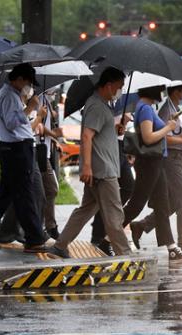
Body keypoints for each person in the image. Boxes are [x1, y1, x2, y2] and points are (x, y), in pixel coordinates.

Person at [47, 67, 133, 258]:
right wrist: (86, 167)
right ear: (109, 85)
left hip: (100, 169)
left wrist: (116, 128)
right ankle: (125, 255)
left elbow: (98, 133)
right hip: (103, 170)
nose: (120, 91)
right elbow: (86, 136)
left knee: (85, 211)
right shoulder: (97, 106)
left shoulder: (101, 105)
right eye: (119, 87)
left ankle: (60, 246)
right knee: (114, 215)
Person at [121, 85, 182, 263]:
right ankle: (109, 234)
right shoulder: (146, 108)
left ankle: (171, 249)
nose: (163, 92)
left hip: (157, 161)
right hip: (149, 162)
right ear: (153, 90)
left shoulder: (147, 108)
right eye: (161, 89)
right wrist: (169, 127)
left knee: (162, 205)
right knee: (137, 203)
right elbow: (148, 137)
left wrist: (168, 123)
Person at [0, 63, 48, 252]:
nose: (29, 87)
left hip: (13, 149)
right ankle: (34, 238)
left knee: (5, 195)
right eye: (28, 82)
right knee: (24, 193)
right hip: (17, 150)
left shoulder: (9, 94)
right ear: (19, 79)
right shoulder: (9, 95)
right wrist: (30, 107)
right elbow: (12, 123)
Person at [90, 111, 135, 256]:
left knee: (128, 186)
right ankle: (99, 235)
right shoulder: (102, 104)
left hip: (119, 147)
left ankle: (103, 229)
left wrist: (124, 125)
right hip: (108, 148)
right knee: (101, 194)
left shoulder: (120, 103)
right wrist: (115, 127)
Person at [37, 93, 63, 239]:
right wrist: (53, 134)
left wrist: (53, 140)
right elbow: (38, 124)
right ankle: (47, 227)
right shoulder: (39, 98)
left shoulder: (45, 99)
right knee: (50, 189)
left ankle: (47, 226)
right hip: (38, 151)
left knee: (46, 190)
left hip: (44, 151)